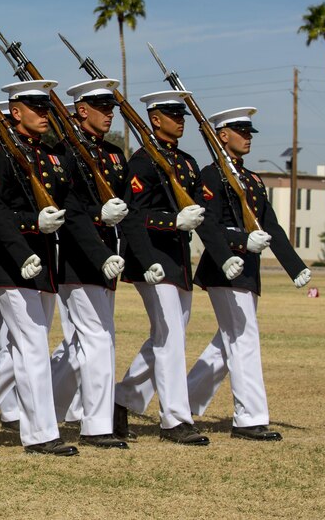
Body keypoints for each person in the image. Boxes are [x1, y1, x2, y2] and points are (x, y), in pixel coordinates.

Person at [0, 79, 85, 456]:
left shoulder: (49, 156)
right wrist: (32, 228)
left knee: (20, 349)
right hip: (10, 266)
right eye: (37, 108)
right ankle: (40, 434)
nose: (45, 115)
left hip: (44, 266)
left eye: (47, 108)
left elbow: (70, 206)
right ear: (15, 113)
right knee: (34, 346)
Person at [187, 107, 311, 441]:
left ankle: (183, 402)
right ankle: (249, 419)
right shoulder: (211, 176)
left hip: (248, 271)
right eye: (240, 131)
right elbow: (208, 224)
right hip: (224, 267)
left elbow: (270, 225)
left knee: (225, 345)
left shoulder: (252, 179)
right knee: (243, 339)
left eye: (249, 132)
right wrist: (240, 242)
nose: (247, 137)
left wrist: (295, 266)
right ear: (222, 135)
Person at [52, 79, 156, 449]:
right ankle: (96, 425)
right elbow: (71, 210)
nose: (110, 113)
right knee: (97, 341)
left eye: (111, 107)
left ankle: (40, 407)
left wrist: (140, 259)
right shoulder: (63, 152)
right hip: (78, 258)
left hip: (107, 260)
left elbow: (128, 213)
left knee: (89, 343)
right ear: (82, 110)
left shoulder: (113, 154)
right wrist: (100, 230)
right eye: (102, 107)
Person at [114, 90, 214, 446]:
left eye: (182, 114)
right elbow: (134, 214)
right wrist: (173, 221)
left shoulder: (186, 162)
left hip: (179, 259)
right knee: (169, 336)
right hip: (152, 258)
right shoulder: (142, 163)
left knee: (168, 336)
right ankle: (174, 419)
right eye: (173, 115)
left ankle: (121, 399)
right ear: (155, 119)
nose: (181, 120)